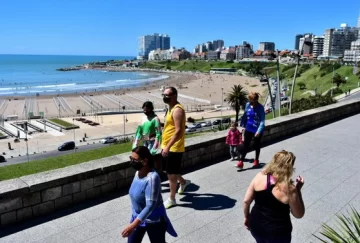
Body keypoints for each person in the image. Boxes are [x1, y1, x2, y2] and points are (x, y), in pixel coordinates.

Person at [243, 150, 305, 243]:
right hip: (278, 232)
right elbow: (299, 214)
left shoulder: (259, 176)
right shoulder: (289, 188)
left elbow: (246, 201)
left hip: (256, 225)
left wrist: (246, 217)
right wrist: (298, 189)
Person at [121, 146, 177, 243]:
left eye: (135, 159)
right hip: (138, 217)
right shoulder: (137, 173)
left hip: (154, 220)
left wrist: (133, 225)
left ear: (144, 161)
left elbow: (150, 206)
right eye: (131, 158)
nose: (132, 162)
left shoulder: (152, 178)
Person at [161, 87, 191, 209]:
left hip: (173, 147)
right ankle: (183, 182)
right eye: (163, 94)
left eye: (166, 95)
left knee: (171, 175)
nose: (164, 97)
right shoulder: (169, 108)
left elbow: (179, 131)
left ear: (174, 95)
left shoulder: (177, 110)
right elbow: (170, 126)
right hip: (166, 145)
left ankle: (172, 199)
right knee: (168, 170)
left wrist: (168, 147)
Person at [236, 92, 265, 169]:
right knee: (246, 145)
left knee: (256, 145)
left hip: (257, 130)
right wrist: (242, 126)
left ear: (256, 99)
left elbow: (262, 121)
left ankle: (256, 160)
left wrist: (259, 131)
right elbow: (245, 115)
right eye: (250, 100)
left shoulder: (260, 107)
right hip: (248, 128)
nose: (251, 102)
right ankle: (241, 162)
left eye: (252, 100)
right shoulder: (247, 105)